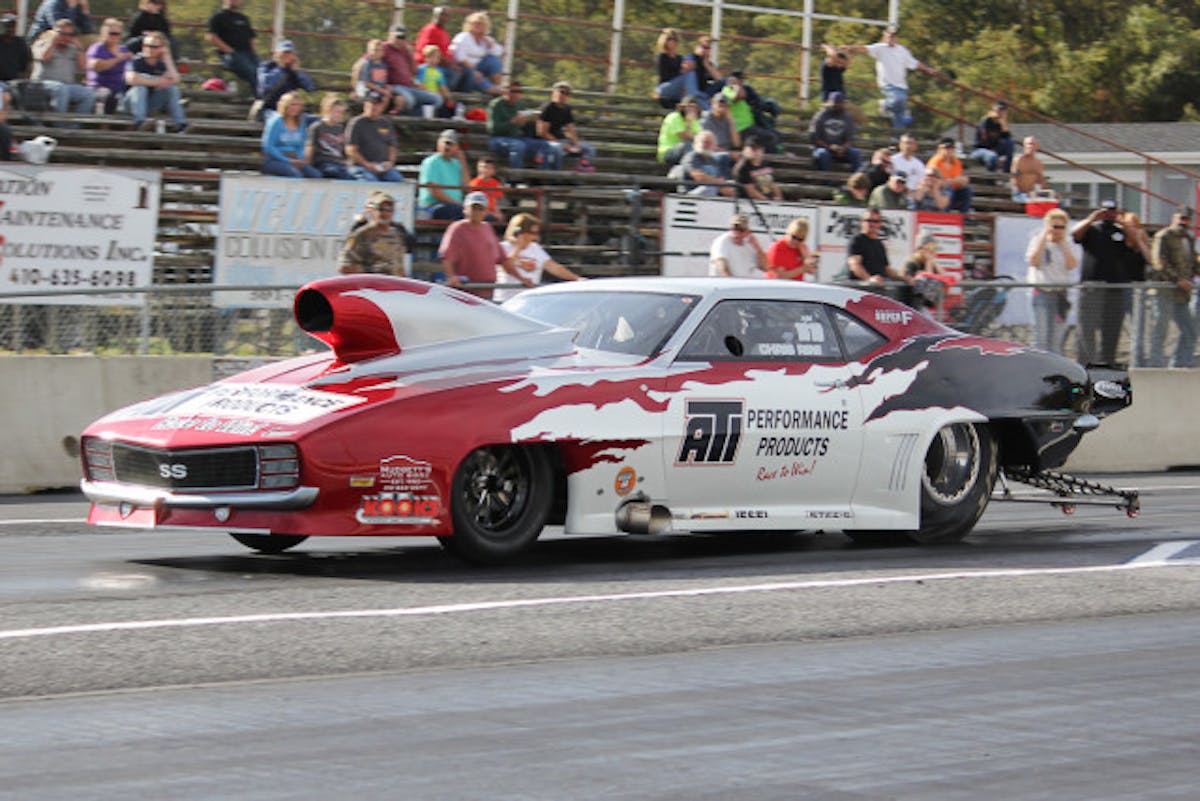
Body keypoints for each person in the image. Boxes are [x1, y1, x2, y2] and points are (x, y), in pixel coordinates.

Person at [1071, 200, 1130, 365]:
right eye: (1106, 211)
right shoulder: (1091, 229)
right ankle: (1087, 362)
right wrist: (1092, 219)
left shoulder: (1120, 231)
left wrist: (1124, 223)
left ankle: (1107, 362)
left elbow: (1133, 243)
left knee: (1112, 328)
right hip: (1092, 285)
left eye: (1112, 211)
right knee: (1087, 327)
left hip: (1114, 287)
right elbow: (1075, 234)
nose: (1108, 214)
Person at [844, 25, 932, 129]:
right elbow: (864, 48)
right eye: (889, 37)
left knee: (899, 115)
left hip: (902, 85)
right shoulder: (880, 48)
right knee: (899, 100)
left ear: (897, 38)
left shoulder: (902, 50)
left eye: (893, 37)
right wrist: (850, 48)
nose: (891, 39)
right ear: (884, 38)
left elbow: (914, 63)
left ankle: (897, 136)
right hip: (888, 84)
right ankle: (885, 105)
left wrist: (929, 70)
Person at [439, 191, 516, 299]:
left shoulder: (488, 228)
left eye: (481, 209)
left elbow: (503, 259)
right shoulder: (457, 228)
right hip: (465, 290)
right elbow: (446, 256)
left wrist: (522, 278)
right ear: (465, 209)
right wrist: (451, 276)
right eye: (474, 208)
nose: (477, 212)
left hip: (487, 289)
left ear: (486, 211)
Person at [1149, 206, 1200, 368]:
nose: (1183, 222)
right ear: (1174, 218)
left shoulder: (1188, 239)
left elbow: (1193, 264)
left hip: (1181, 295)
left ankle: (1179, 364)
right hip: (1164, 291)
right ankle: (1155, 365)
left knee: (1189, 330)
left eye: (1187, 219)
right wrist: (1178, 280)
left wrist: (1191, 276)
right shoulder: (1163, 236)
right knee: (1160, 330)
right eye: (1181, 218)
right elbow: (1159, 262)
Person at [495, 213, 584, 302]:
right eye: (532, 233)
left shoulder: (535, 248)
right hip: (507, 299)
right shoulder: (503, 247)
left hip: (528, 299)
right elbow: (507, 267)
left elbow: (554, 267)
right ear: (520, 232)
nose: (536, 237)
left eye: (537, 233)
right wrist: (518, 248)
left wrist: (576, 278)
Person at [1025, 208, 1078, 354]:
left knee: (1056, 339)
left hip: (1060, 295)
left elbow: (1072, 265)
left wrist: (1063, 244)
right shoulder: (1037, 240)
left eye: (1062, 227)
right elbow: (1033, 261)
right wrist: (1044, 238)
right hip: (1041, 293)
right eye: (1055, 226)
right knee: (1041, 337)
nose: (1058, 230)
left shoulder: (1069, 243)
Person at [31, 18, 95, 116]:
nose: (65, 37)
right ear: (54, 32)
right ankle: (60, 123)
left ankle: (76, 123)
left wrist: (80, 47)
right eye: (62, 33)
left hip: (67, 85)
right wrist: (53, 43)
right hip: (43, 84)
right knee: (61, 89)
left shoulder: (73, 48)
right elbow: (44, 58)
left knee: (88, 94)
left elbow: (84, 67)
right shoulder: (41, 43)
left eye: (69, 34)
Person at [124, 30, 184, 131]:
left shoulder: (162, 64)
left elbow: (175, 80)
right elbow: (131, 79)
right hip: (131, 103)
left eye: (153, 47)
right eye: (146, 45)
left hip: (150, 103)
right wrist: (158, 81)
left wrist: (167, 57)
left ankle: (180, 124)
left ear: (161, 48)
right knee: (140, 88)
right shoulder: (136, 61)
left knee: (172, 89)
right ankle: (140, 122)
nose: (148, 49)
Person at [487, 80, 554, 170]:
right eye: (513, 91)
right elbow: (492, 129)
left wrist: (531, 120)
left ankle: (541, 175)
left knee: (544, 145)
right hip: (498, 139)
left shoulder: (520, 104)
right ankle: (516, 176)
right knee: (518, 146)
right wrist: (512, 122)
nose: (516, 94)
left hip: (517, 138)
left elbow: (522, 126)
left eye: (519, 91)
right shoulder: (496, 104)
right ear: (505, 91)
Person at [337, 190, 407, 275]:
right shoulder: (362, 235)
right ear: (372, 211)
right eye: (380, 209)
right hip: (370, 283)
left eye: (389, 209)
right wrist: (371, 272)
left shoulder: (397, 236)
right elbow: (344, 266)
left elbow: (399, 269)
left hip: (392, 283)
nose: (384, 213)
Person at [344, 90, 403, 182]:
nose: (373, 107)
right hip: (360, 166)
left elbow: (392, 147)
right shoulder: (356, 123)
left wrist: (390, 162)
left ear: (382, 106)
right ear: (365, 105)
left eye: (377, 104)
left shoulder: (386, 123)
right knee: (370, 180)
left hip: (382, 167)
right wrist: (367, 164)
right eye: (370, 103)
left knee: (397, 180)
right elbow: (350, 150)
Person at [538, 80, 595, 172]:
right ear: (554, 92)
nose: (564, 95)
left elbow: (571, 129)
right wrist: (564, 146)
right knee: (557, 148)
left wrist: (576, 145)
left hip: (560, 140)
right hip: (547, 141)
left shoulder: (566, 109)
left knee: (589, 149)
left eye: (567, 93)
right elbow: (542, 133)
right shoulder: (548, 108)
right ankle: (555, 175)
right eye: (561, 92)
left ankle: (581, 169)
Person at [382, 25, 439, 117]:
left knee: (436, 99)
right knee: (409, 100)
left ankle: (419, 120)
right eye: (398, 37)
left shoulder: (405, 51)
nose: (401, 40)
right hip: (394, 86)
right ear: (390, 36)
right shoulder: (383, 48)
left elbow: (415, 71)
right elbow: (364, 63)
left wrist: (410, 54)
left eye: (403, 37)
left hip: (410, 86)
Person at [847, 210, 910, 290]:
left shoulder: (880, 244)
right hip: (861, 289)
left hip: (879, 289)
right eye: (868, 220)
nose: (872, 224)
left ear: (880, 224)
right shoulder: (857, 240)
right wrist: (869, 279)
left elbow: (888, 270)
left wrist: (903, 278)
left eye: (876, 221)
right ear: (862, 222)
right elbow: (855, 265)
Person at [261, 91, 317, 178]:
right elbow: (268, 147)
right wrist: (287, 160)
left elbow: (300, 145)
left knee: (315, 175)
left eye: (298, 105)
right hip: (275, 160)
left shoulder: (301, 122)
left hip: (294, 158)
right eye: (292, 105)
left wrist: (299, 158)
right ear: (285, 105)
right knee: (295, 175)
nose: (295, 108)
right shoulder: (276, 121)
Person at [206, 0, 257, 94]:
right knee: (251, 71)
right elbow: (211, 37)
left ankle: (264, 96)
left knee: (262, 72)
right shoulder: (218, 17)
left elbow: (251, 38)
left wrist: (253, 54)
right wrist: (230, 51)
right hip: (229, 55)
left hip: (248, 54)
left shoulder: (244, 18)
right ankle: (260, 98)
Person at [720, 71, 778, 153]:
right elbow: (740, 96)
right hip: (740, 129)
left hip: (749, 127)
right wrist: (736, 85)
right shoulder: (726, 90)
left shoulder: (744, 89)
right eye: (741, 80)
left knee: (772, 135)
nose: (743, 82)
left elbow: (755, 100)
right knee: (769, 138)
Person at [256, 39, 314, 120]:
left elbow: (310, 87)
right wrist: (281, 68)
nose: (286, 56)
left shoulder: (294, 72)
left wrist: (296, 72)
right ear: (276, 54)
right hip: (268, 109)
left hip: (290, 110)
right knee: (279, 119)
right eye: (284, 53)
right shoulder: (266, 67)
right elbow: (267, 86)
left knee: (313, 120)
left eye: (290, 54)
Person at [418, 128, 468, 220]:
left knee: (486, 217)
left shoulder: (457, 164)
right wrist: (458, 205)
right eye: (445, 143)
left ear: (457, 148)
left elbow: (466, 186)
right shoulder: (431, 162)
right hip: (433, 206)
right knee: (464, 213)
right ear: (438, 144)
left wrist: (462, 162)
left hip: (454, 207)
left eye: (451, 144)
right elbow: (435, 191)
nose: (447, 147)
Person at [85, 17, 131, 114]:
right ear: (104, 33)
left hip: (120, 88)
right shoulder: (97, 48)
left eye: (118, 34)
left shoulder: (124, 49)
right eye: (112, 33)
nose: (115, 36)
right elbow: (96, 66)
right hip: (99, 87)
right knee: (108, 96)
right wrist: (117, 59)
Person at [449, 11, 502, 95]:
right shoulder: (463, 37)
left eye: (481, 24)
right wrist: (474, 71)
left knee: (494, 61)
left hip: (480, 68)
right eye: (475, 23)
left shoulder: (486, 39)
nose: (478, 26)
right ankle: (492, 90)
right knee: (474, 75)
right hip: (465, 68)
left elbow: (498, 53)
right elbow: (460, 58)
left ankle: (497, 86)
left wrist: (490, 44)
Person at [809, 91, 861, 173]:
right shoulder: (820, 116)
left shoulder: (847, 117)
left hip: (842, 150)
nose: (836, 105)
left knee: (855, 153)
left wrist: (843, 148)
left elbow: (850, 138)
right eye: (835, 102)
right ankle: (827, 179)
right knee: (823, 154)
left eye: (839, 102)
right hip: (824, 148)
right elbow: (814, 137)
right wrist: (830, 147)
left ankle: (857, 178)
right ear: (829, 102)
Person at [304, 93, 352, 180]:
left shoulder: (341, 128)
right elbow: (309, 149)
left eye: (342, 112)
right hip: (323, 163)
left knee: (353, 175)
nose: (340, 115)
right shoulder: (317, 127)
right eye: (337, 112)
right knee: (334, 172)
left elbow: (343, 150)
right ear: (328, 110)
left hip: (339, 163)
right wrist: (308, 166)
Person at [413, 5, 460, 90]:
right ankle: (441, 93)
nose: (443, 17)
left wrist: (453, 63)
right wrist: (450, 64)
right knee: (453, 73)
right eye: (441, 15)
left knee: (466, 72)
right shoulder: (430, 30)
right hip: (429, 65)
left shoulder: (443, 32)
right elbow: (427, 51)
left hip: (442, 64)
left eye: (446, 15)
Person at [708, 212, 767, 278]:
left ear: (747, 232)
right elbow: (722, 266)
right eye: (734, 229)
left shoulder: (750, 244)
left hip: (745, 282)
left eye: (740, 230)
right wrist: (733, 281)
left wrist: (757, 247)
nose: (736, 233)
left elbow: (765, 268)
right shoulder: (722, 242)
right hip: (724, 282)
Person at [676, 129, 733, 196]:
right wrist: (717, 183)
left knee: (732, 184)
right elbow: (698, 177)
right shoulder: (691, 157)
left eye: (710, 143)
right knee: (711, 187)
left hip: (711, 193)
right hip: (689, 195)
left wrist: (726, 188)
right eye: (705, 142)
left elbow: (720, 179)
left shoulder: (713, 160)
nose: (707, 145)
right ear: (696, 143)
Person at [925, 137, 972, 213]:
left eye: (951, 148)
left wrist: (956, 181)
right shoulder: (935, 161)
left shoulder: (956, 162)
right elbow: (941, 181)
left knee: (967, 190)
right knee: (949, 189)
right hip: (938, 191)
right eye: (946, 148)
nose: (949, 150)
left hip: (954, 190)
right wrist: (955, 181)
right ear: (940, 149)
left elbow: (962, 181)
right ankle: (945, 214)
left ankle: (964, 216)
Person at [653, 28, 696, 107]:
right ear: (664, 40)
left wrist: (687, 68)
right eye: (670, 39)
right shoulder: (662, 56)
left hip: (676, 89)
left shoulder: (679, 58)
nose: (673, 41)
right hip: (664, 88)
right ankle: (693, 98)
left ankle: (686, 102)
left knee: (690, 73)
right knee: (688, 75)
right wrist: (681, 71)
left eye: (675, 39)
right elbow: (664, 76)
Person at [1011, 135, 1059, 202]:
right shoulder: (1018, 160)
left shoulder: (1038, 163)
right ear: (1024, 145)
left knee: (1055, 202)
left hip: (1032, 194)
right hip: (1019, 194)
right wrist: (1023, 192)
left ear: (1037, 147)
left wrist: (1051, 193)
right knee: (1034, 202)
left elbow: (1042, 181)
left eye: (1033, 144)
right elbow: (1014, 179)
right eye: (1028, 144)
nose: (1030, 146)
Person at [970, 100, 1014, 173]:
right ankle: (991, 177)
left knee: (1010, 143)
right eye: (998, 109)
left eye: (1003, 110)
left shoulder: (1001, 122)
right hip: (980, 150)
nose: (1000, 112)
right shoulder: (986, 120)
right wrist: (992, 149)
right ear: (993, 110)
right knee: (992, 156)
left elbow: (1007, 138)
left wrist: (1004, 126)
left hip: (994, 150)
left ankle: (1006, 172)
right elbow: (984, 139)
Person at [657, 95, 701, 168]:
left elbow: (700, 137)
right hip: (668, 152)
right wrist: (689, 122)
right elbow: (685, 137)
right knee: (687, 145)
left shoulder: (695, 120)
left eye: (694, 107)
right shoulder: (674, 117)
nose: (691, 110)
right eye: (689, 107)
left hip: (688, 151)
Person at [351, 39, 392, 111]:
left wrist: (387, 88)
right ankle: (370, 113)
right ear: (368, 51)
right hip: (368, 90)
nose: (374, 53)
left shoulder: (384, 65)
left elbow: (383, 81)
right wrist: (382, 91)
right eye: (373, 50)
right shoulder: (367, 64)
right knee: (373, 99)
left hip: (379, 90)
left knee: (386, 98)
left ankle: (377, 114)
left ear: (383, 52)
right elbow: (366, 83)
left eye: (378, 50)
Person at [415, 44, 455, 118]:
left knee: (446, 105)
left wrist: (448, 97)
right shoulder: (422, 69)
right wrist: (429, 92)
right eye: (431, 57)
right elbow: (418, 84)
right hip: (424, 95)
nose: (434, 60)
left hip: (436, 95)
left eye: (437, 58)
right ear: (426, 58)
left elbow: (442, 86)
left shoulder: (439, 71)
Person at [27, 0, 92, 42]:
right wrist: (71, 8)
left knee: (90, 39)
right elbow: (59, 27)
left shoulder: (75, 3)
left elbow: (87, 30)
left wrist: (85, 10)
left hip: (66, 37)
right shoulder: (53, 3)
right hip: (41, 37)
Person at [700, 92, 740, 158]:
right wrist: (730, 154)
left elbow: (737, 144)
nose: (723, 107)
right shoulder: (706, 119)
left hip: (729, 151)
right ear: (712, 104)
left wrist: (731, 121)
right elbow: (709, 146)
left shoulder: (728, 119)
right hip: (713, 154)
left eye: (725, 105)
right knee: (722, 157)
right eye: (720, 104)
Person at [468, 155, 505, 223]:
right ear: (478, 168)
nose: (485, 170)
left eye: (489, 168)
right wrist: (489, 213)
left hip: (492, 212)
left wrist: (498, 213)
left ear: (494, 170)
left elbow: (495, 201)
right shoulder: (474, 183)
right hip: (479, 212)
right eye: (483, 167)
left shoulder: (495, 183)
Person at [1, 14, 33, 94]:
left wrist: (23, 80)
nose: (9, 29)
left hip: (16, 82)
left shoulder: (21, 43)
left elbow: (28, 64)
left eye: (12, 26)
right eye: (7, 26)